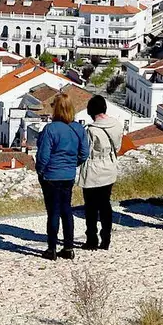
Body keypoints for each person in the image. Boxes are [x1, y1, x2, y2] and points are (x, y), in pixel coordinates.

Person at [35, 95, 90, 260]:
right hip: (68, 174)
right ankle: (68, 247)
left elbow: (43, 156)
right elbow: (84, 153)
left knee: (53, 211)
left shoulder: (50, 130)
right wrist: (72, 164)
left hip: (51, 174)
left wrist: (40, 171)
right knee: (66, 210)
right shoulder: (78, 129)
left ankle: (51, 249)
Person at [77, 95, 124, 250]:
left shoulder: (91, 130)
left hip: (93, 168)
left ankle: (92, 239)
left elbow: (86, 152)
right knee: (105, 204)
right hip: (109, 167)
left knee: (90, 207)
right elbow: (117, 146)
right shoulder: (117, 124)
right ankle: (106, 238)